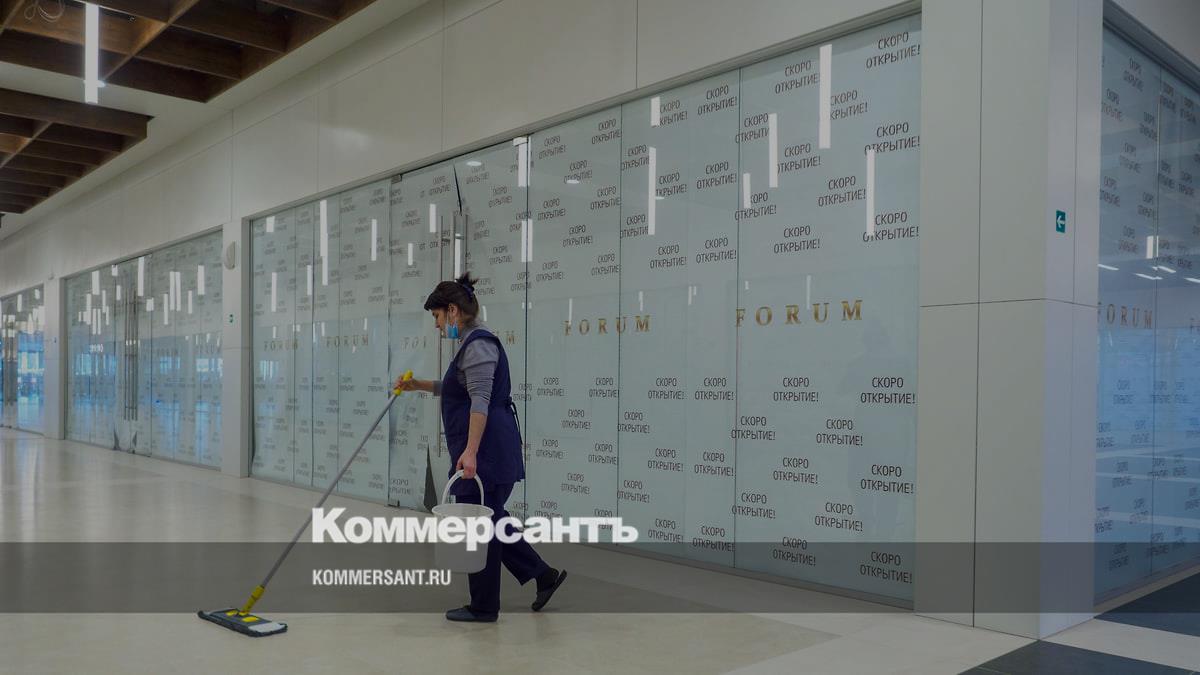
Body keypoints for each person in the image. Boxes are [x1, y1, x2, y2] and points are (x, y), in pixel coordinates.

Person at [394, 273, 567, 622]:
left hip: (487, 450)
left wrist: (471, 452)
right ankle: (542, 574)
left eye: (437, 317)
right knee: (492, 518)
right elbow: (459, 387)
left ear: (453, 311)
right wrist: (418, 385)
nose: (437, 325)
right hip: (486, 448)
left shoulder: (478, 346)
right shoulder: (471, 343)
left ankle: (485, 607)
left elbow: (480, 401)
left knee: (480, 525)